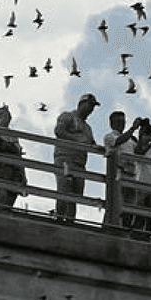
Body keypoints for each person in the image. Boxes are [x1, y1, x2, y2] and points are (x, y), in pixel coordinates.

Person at [52, 93, 99, 223]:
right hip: (65, 159)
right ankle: (59, 220)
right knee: (64, 190)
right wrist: (77, 139)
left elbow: (91, 144)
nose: (91, 109)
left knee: (75, 197)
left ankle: (70, 222)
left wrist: (100, 148)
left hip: (80, 164)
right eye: (90, 105)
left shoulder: (88, 128)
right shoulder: (68, 116)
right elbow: (59, 131)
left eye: (93, 107)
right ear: (81, 104)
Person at [102, 110, 140, 229]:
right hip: (117, 176)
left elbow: (140, 152)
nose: (121, 124)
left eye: (123, 122)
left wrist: (144, 134)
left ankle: (125, 230)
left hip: (131, 177)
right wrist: (133, 129)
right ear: (111, 124)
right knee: (115, 206)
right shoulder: (109, 136)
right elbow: (118, 141)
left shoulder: (131, 140)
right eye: (118, 121)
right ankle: (107, 229)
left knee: (129, 209)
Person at [0, 104, 26, 208]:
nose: (6, 118)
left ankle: (1, 221)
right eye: (3, 115)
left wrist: (23, 175)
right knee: (2, 196)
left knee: (10, 201)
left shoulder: (14, 135)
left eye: (7, 116)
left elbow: (19, 155)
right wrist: (10, 147)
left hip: (14, 171)